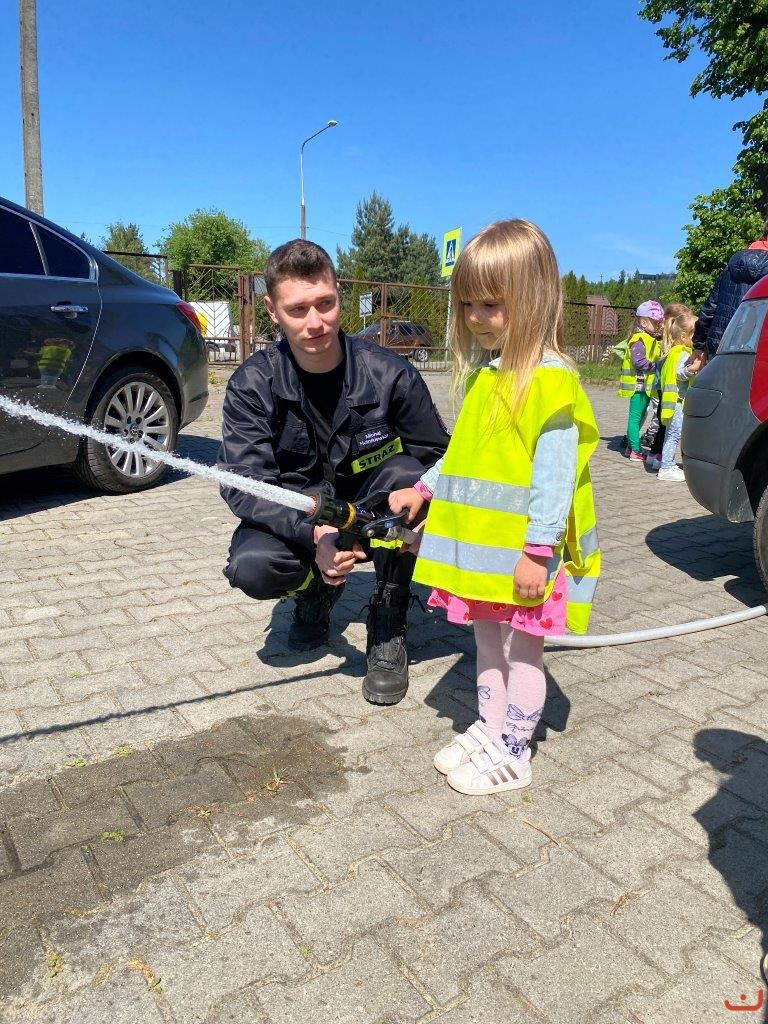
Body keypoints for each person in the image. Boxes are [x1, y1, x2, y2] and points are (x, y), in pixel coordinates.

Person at [389, 219, 600, 796]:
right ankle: (490, 725)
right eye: (467, 305)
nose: (476, 318)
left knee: (523, 651)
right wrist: (424, 488)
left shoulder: (549, 382)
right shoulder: (489, 375)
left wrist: (539, 550)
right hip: (483, 556)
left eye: (491, 304)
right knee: (485, 641)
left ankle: (516, 748)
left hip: (524, 558)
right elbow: (465, 455)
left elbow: (555, 480)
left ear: (533, 300)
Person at [218, 239, 449, 706]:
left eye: (325, 303)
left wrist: (431, 511)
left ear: (339, 295)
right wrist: (313, 534)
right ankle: (316, 589)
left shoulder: (392, 375)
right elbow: (245, 486)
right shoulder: (252, 385)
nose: (315, 322)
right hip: (303, 514)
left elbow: (439, 458)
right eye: (297, 309)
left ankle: (388, 614)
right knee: (254, 567)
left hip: (372, 511)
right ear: (272, 311)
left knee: (407, 476)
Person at [690, 217, 768, 369]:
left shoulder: (733, 266)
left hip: (722, 347)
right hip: (759, 352)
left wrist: (699, 346)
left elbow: (709, 309)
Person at [644, 302, 692, 466]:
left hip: (661, 387)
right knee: (667, 428)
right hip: (668, 390)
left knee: (662, 424)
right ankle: (661, 459)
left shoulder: (665, 340)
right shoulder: (674, 345)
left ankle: (655, 454)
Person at [617, 300, 664, 464]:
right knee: (635, 419)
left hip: (643, 387)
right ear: (644, 322)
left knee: (639, 417)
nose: (658, 325)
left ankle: (631, 447)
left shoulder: (647, 338)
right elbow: (638, 362)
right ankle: (635, 451)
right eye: (655, 322)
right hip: (638, 386)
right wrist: (656, 367)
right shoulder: (639, 339)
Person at [656, 309, 698, 482]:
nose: (697, 339)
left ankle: (667, 464)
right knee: (674, 434)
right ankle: (666, 467)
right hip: (677, 402)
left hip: (671, 401)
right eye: (695, 335)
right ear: (683, 336)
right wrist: (692, 369)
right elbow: (679, 373)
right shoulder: (682, 352)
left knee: (671, 434)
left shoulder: (674, 352)